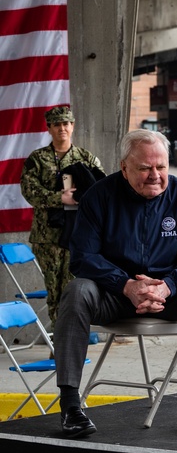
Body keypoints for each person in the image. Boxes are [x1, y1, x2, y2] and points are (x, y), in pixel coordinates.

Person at [54, 129, 177, 437]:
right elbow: (82, 257)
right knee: (77, 290)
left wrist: (166, 286)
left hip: (172, 294)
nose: (155, 175)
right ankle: (71, 405)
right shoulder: (99, 196)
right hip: (114, 295)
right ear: (124, 168)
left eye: (161, 167)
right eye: (145, 168)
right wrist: (127, 285)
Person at [19, 106, 104, 328]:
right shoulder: (37, 159)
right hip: (47, 237)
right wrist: (60, 198)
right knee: (54, 291)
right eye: (57, 125)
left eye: (66, 124)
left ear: (73, 126)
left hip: (78, 235)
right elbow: (29, 191)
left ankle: (69, 339)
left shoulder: (86, 158)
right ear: (49, 129)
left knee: (73, 289)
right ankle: (60, 341)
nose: (62, 128)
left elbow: (102, 189)